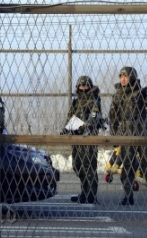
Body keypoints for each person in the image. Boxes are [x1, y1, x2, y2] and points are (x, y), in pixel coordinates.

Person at [109, 67, 147, 206]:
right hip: (126, 132)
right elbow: (112, 118)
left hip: (142, 130)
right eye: (121, 76)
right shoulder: (117, 95)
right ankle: (128, 196)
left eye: (126, 76)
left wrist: (146, 97)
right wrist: (114, 136)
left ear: (132, 77)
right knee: (127, 165)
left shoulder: (140, 92)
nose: (123, 79)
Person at [63, 75, 102, 204]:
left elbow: (94, 117)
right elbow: (70, 116)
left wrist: (83, 127)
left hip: (89, 138)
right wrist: (67, 128)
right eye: (81, 85)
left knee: (89, 166)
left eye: (86, 85)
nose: (83, 88)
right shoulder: (76, 101)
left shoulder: (94, 100)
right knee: (77, 165)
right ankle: (84, 192)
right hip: (77, 138)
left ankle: (91, 194)